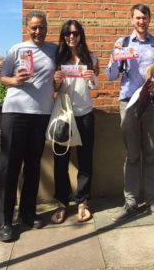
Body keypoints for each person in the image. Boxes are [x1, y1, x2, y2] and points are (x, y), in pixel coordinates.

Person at [106, 3, 154, 222]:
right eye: (137, 18)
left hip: (151, 102)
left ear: (149, 19)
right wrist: (116, 58)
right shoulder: (122, 44)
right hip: (128, 102)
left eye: (145, 17)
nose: (141, 21)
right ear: (131, 20)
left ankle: (153, 200)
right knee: (132, 154)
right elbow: (111, 76)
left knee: (151, 153)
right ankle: (131, 202)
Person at [0, 11, 57, 242]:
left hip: (41, 114)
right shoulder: (17, 50)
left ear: (47, 27)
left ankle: (27, 213)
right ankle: (4, 222)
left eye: (41, 27)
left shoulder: (53, 50)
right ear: (27, 28)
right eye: (33, 27)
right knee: (9, 168)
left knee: (33, 167)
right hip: (15, 113)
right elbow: (2, 77)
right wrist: (14, 80)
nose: (38, 31)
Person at [50, 20, 98, 224]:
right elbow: (51, 90)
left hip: (85, 114)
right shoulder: (57, 59)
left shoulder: (90, 57)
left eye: (76, 33)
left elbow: (94, 86)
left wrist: (91, 76)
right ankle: (62, 202)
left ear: (81, 36)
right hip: (63, 114)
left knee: (85, 160)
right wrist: (56, 81)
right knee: (61, 160)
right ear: (63, 36)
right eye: (68, 34)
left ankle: (82, 201)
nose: (72, 37)